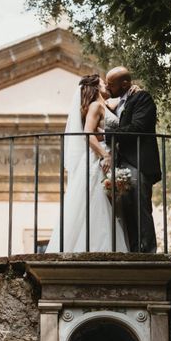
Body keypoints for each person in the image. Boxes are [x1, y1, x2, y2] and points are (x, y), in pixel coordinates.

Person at [45, 74, 128, 253]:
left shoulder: (104, 105)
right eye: (102, 83)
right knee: (95, 201)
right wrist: (105, 155)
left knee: (100, 201)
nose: (106, 84)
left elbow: (120, 103)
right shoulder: (96, 106)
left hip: (104, 156)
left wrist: (132, 89)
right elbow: (88, 133)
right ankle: (98, 247)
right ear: (95, 88)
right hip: (98, 158)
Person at [105, 66, 161, 253]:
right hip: (122, 163)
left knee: (140, 208)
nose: (107, 87)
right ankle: (135, 251)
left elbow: (138, 126)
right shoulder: (118, 102)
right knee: (127, 210)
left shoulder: (142, 98)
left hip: (138, 161)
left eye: (110, 84)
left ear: (125, 84)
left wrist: (108, 134)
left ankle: (148, 253)